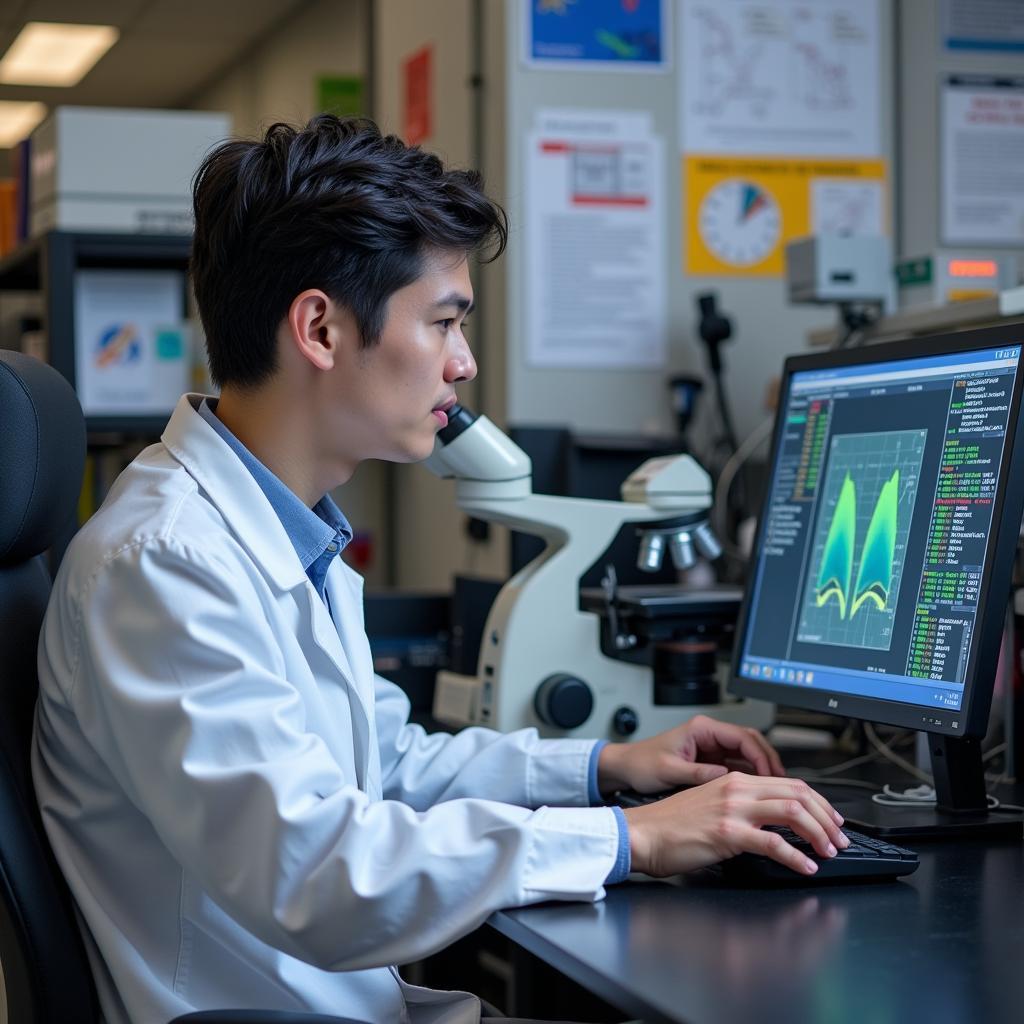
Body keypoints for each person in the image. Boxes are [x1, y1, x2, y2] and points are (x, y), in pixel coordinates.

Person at [33, 115, 848, 1024]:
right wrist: (632, 840)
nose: (462, 364)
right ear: (320, 328)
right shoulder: (167, 563)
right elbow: (318, 875)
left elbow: (383, 765)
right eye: (444, 321)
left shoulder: (277, 530)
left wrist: (608, 766)